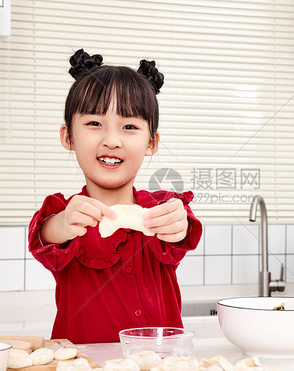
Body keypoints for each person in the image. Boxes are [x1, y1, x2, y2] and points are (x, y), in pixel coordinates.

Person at [28, 49, 202, 344]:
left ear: (151, 142)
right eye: (94, 124)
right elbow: (47, 233)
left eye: (130, 127)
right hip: (83, 364)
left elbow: (182, 226)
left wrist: (178, 222)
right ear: (68, 137)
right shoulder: (67, 215)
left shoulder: (161, 209)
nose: (111, 140)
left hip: (158, 363)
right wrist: (62, 224)